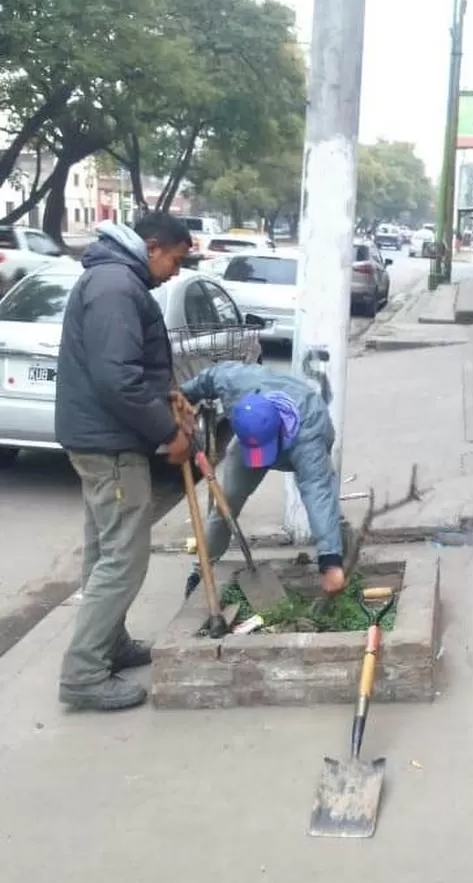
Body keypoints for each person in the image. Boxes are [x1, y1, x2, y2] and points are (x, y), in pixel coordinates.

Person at [56, 214, 193, 712]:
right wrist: (168, 432)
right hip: (109, 443)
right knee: (124, 557)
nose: (177, 271)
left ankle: (107, 643)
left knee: (104, 552)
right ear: (152, 246)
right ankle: (84, 674)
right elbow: (117, 379)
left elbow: (129, 368)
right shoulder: (116, 286)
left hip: (100, 438)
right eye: (176, 259)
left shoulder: (117, 278)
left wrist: (168, 393)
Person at [179, 363, 346, 599]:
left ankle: (336, 546)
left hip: (301, 434)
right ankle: (201, 569)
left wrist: (330, 563)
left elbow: (317, 493)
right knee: (226, 502)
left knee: (321, 496)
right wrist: (182, 397)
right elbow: (210, 376)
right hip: (255, 434)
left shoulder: (309, 442)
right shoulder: (236, 385)